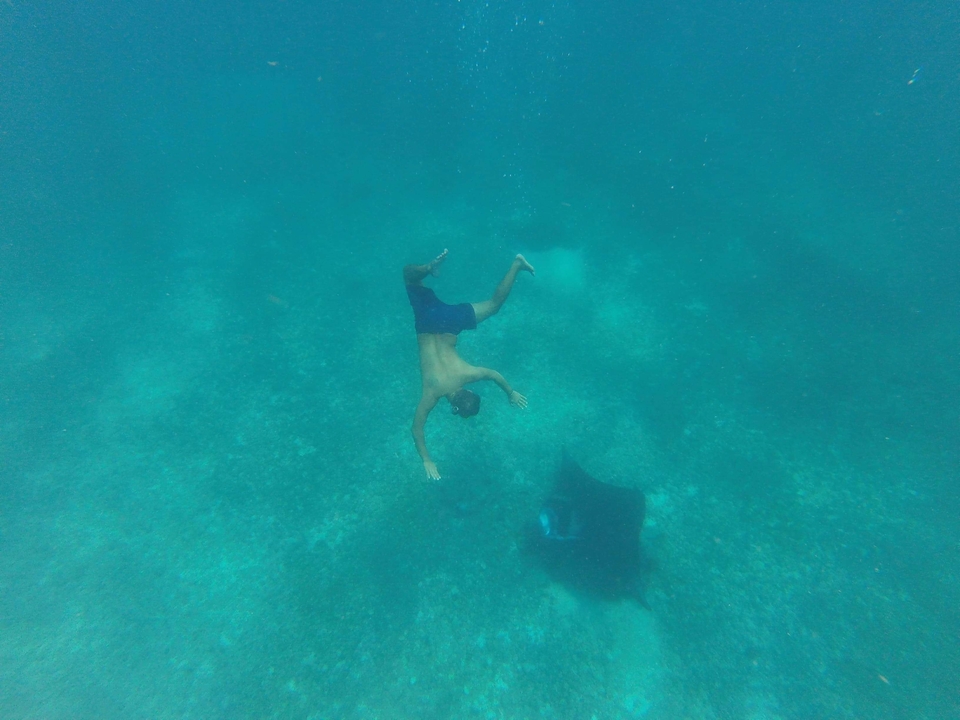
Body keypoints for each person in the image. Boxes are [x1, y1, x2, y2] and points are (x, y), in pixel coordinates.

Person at [404, 249, 535, 479]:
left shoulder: (467, 375)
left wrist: (511, 392)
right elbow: (417, 430)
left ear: (468, 391)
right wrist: (427, 459)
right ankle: (425, 270)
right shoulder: (431, 393)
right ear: (453, 407)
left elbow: (493, 374)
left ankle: (517, 264)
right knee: (408, 277)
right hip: (426, 323)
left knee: (494, 305)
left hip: (447, 321)